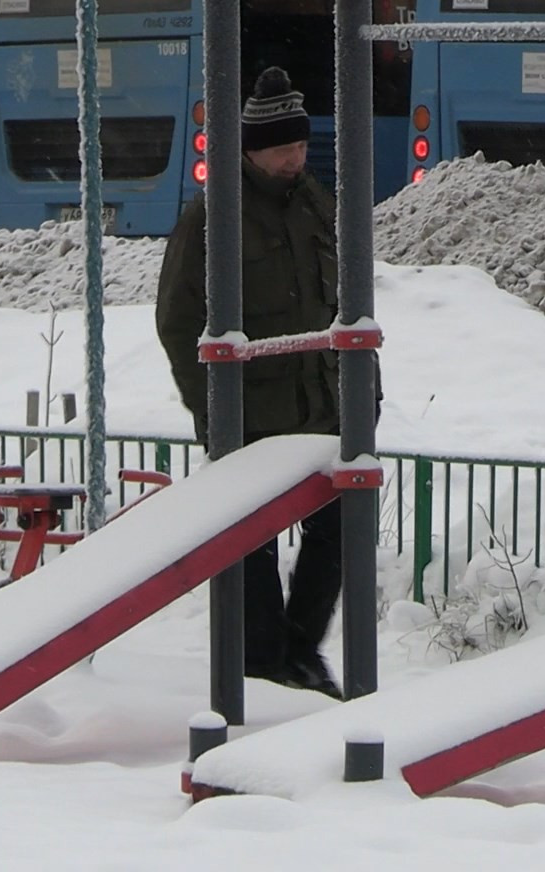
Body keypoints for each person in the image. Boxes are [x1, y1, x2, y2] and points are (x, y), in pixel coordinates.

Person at [155, 65, 346, 699]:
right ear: (253, 150)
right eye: (284, 148)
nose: (296, 158)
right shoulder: (215, 216)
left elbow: (343, 303)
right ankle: (266, 661)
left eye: (301, 146)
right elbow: (179, 318)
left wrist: (359, 390)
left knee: (341, 523)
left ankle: (298, 649)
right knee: (250, 543)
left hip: (321, 407)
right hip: (253, 414)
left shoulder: (316, 203)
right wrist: (211, 406)